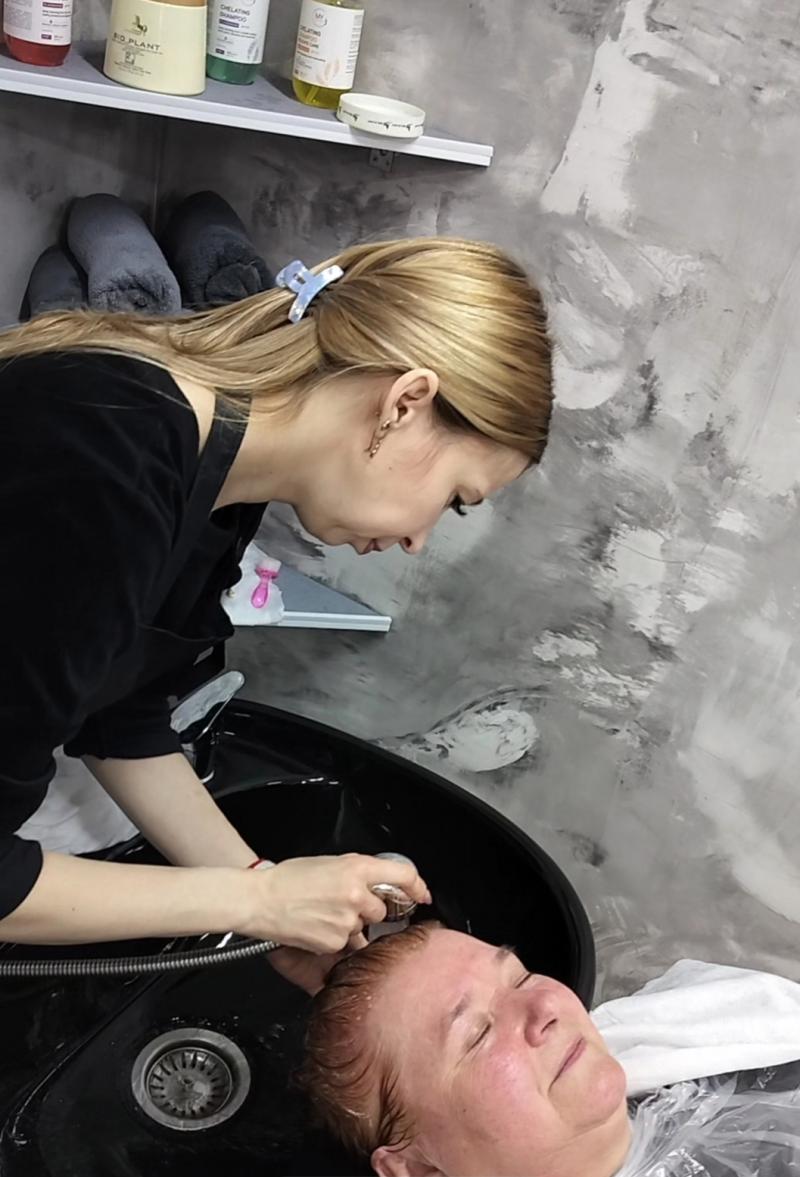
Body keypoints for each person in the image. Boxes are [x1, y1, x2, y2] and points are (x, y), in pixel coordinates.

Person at [0, 238, 553, 990]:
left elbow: (120, 722)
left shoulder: (219, 477)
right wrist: (259, 902)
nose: (420, 541)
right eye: (455, 498)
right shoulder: (101, 457)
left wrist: (267, 898)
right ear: (404, 403)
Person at [301, 924, 800, 1177]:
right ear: (420, 1169)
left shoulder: (718, 1049)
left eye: (520, 977)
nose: (545, 1005)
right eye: (476, 1034)